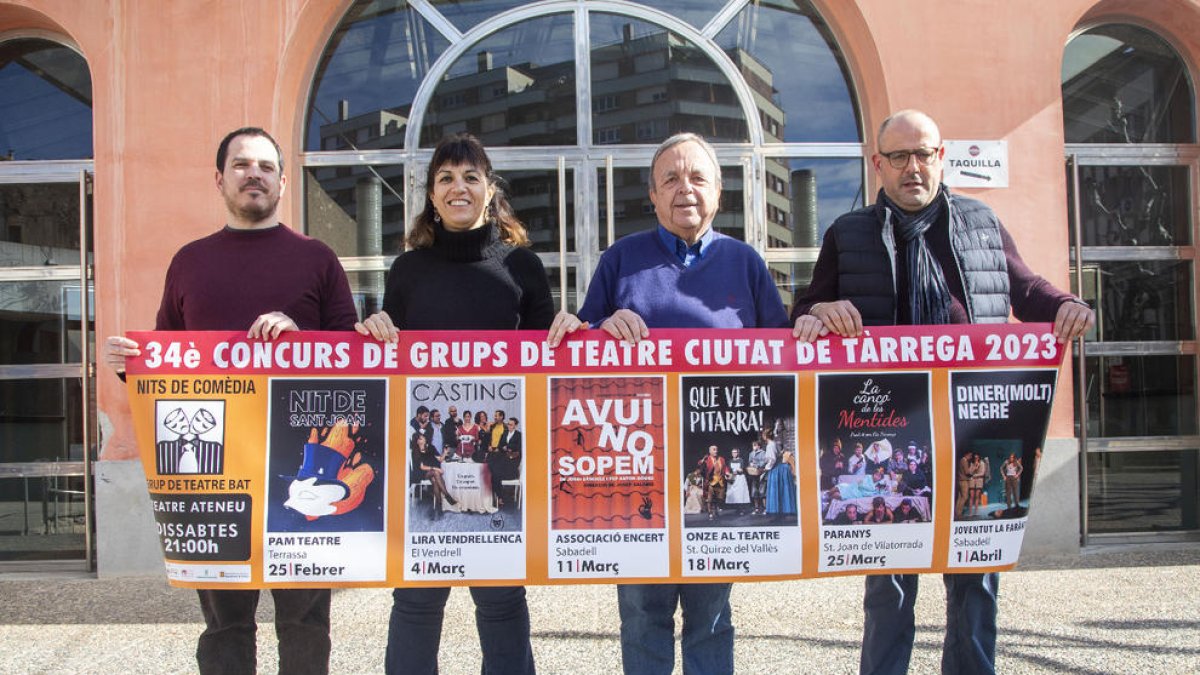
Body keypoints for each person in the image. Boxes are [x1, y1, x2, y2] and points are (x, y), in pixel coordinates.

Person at [791, 109, 1095, 675]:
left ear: (941, 158)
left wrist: (1063, 305)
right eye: (899, 156)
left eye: (923, 153)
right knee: (889, 590)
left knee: (975, 581)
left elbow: (1023, 287)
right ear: (877, 163)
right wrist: (818, 311)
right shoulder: (847, 232)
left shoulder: (982, 222)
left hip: (972, 427)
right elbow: (806, 308)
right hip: (886, 432)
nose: (913, 167)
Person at [104, 127, 356, 675]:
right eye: (241, 165)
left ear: (284, 182)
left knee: (305, 622)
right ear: (219, 179)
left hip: (300, 471)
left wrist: (302, 337)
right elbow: (166, 363)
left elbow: (353, 357)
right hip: (214, 476)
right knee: (224, 626)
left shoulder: (317, 258)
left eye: (266, 166)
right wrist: (132, 367)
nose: (254, 175)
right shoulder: (189, 262)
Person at [545, 132, 789, 675]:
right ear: (653, 196)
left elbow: (785, 356)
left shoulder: (746, 263)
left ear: (719, 192)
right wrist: (599, 326)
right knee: (642, 616)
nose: (686, 190)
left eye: (698, 177)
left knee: (711, 618)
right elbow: (580, 347)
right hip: (634, 473)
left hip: (714, 465)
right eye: (671, 179)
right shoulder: (621, 260)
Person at [355, 133, 551, 675]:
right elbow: (387, 349)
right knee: (416, 604)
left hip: (501, 465)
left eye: (470, 177)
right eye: (445, 178)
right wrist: (375, 327)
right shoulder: (407, 271)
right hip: (430, 464)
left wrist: (567, 329)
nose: (458, 187)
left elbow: (547, 365)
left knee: (502, 603)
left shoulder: (524, 267)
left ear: (490, 192)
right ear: (432, 196)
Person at [414, 431, 455, 519]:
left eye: (423, 437)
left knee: (435, 479)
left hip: (432, 473)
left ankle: (438, 506)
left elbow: (440, 459)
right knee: (436, 473)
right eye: (421, 438)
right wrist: (436, 468)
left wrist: (445, 452)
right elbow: (422, 467)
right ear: (417, 441)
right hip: (423, 473)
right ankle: (446, 495)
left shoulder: (431, 448)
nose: (423, 439)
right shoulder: (416, 451)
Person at [488, 416, 522, 509]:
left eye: (511, 425)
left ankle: (499, 497)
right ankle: (500, 497)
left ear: (515, 426)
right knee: (494, 474)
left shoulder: (519, 435)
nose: (509, 426)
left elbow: (518, 449)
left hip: (512, 463)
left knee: (495, 474)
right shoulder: (505, 433)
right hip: (503, 460)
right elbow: (499, 445)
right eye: (508, 424)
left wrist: (507, 447)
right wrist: (503, 447)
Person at [697, 445, 729, 520]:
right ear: (710, 451)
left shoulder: (721, 459)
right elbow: (700, 464)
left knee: (719, 498)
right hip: (711, 481)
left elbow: (725, 468)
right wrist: (702, 460)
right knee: (710, 498)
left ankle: (715, 510)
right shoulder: (707, 459)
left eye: (716, 449)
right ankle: (710, 512)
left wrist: (727, 473)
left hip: (720, 481)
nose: (716, 451)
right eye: (714, 450)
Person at [725, 447, 751, 513]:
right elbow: (728, 469)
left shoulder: (741, 460)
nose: (734, 454)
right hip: (733, 478)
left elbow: (742, 469)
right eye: (733, 452)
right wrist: (728, 474)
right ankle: (736, 508)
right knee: (734, 493)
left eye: (735, 452)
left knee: (740, 493)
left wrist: (738, 471)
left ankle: (741, 508)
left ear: (738, 453)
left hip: (740, 478)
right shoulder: (730, 461)